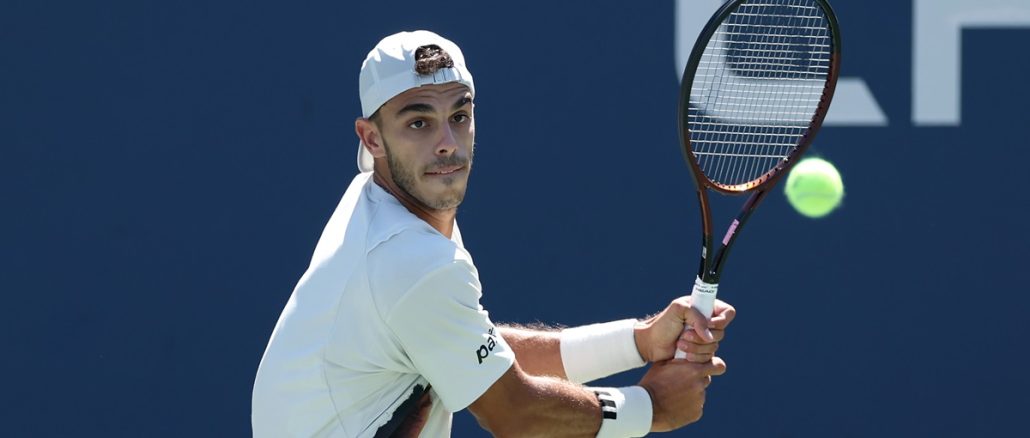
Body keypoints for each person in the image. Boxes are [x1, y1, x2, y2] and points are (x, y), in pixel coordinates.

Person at [251, 30, 736, 437]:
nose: (447, 144)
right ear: (371, 138)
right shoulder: (407, 258)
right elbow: (515, 412)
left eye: (459, 116)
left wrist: (639, 340)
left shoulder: (383, 206)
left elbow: (468, 349)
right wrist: (649, 407)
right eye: (419, 122)